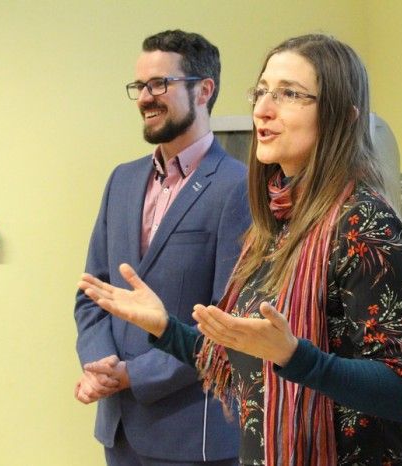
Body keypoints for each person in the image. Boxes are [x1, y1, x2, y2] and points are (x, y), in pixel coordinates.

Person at [80, 34, 402, 466]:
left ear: (341, 116)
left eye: (289, 94)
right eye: (261, 91)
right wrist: (165, 328)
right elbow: (235, 357)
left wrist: (294, 356)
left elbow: (400, 390)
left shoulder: (364, 222)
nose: (263, 109)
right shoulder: (276, 219)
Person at [74, 29, 248, 466]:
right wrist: (100, 363)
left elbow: (229, 324)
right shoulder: (122, 180)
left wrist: (132, 374)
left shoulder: (239, 188)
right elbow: (93, 292)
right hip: (119, 430)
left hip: (192, 434)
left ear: (203, 90)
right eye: (140, 86)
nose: (145, 98)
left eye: (159, 84)